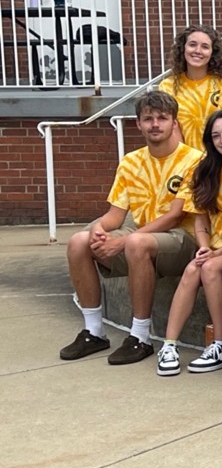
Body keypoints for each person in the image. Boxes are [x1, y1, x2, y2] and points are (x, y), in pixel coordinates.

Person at [61, 90, 201, 365]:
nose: (155, 124)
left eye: (162, 118)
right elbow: (115, 216)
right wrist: (98, 230)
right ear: (138, 124)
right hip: (144, 237)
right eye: (148, 119)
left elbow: (175, 216)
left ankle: (140, 337)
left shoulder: (194, 159)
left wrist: (123, 241)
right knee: (78, 242)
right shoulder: (130, 162)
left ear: (175, 122)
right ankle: (94, 332)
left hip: (182, 240)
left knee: (136, 243)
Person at [155, 109, 222, 376]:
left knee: (208, 268)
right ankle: (169, 345)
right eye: (216, 135)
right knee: (192, 268)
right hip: (216, 248)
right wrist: (204, 246)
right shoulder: (205, 170)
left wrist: (218, 252)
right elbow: (200, 220)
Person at [157, 24, 222, 146]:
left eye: (205, 47)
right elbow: (170, 128)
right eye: (192, 45)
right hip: (187, 160)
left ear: (213, 52)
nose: (198, 51)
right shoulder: (167, 87)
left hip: (221, 159)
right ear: (183, 48)